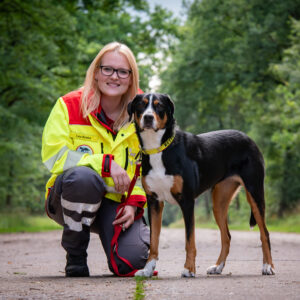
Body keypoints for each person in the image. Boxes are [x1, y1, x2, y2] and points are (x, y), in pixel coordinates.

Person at [41, 42, 149, 277]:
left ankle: (118, 235)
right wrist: (104, 163)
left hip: (118, 203)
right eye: (107, 69)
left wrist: (134, 203)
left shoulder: (145, 111)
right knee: (83, 178)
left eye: (123, 71)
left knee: (133, 262)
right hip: (71, 197)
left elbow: (148, 167)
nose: (114, 77)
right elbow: (54, 158)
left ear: (131, 78)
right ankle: (76, 255)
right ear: (96, 72)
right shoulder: (68, 105)